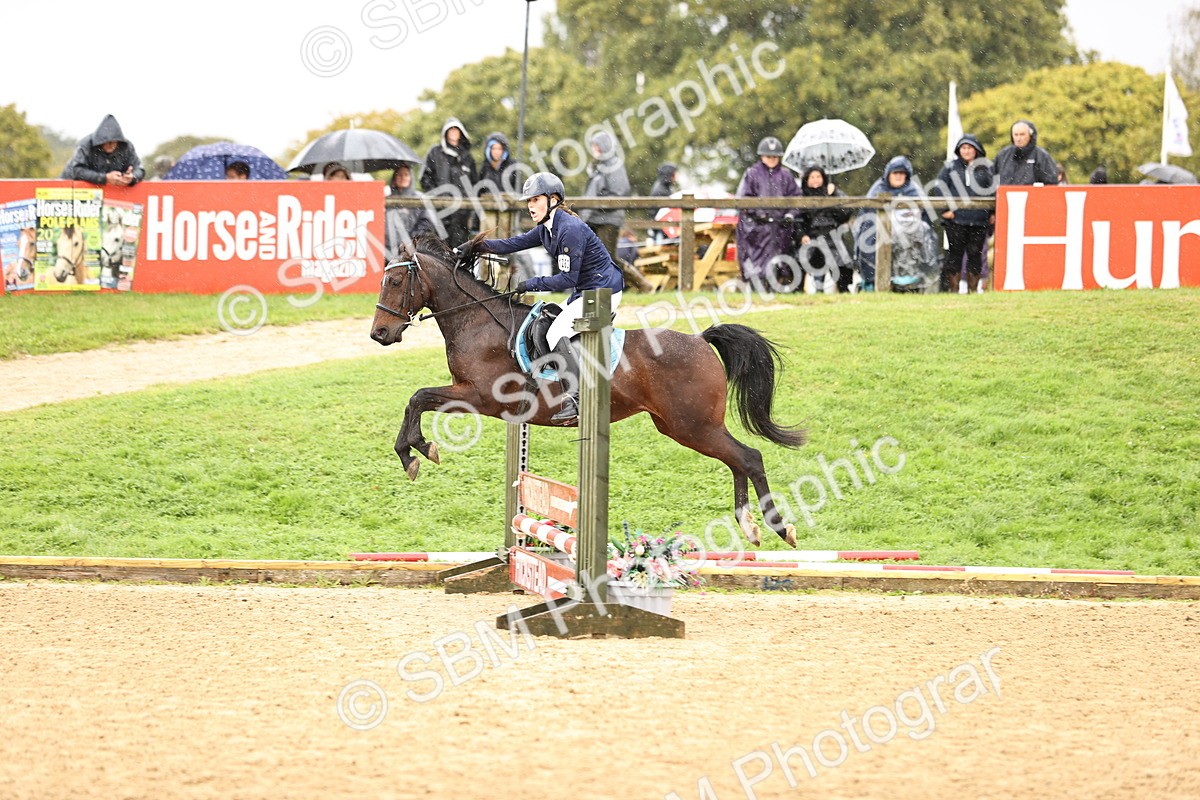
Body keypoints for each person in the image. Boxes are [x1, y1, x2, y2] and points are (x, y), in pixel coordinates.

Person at [477, 172, 625, 424]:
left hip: (603, 292)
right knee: (546, 321)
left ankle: (578, 397)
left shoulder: (569, 229)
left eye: (535, 200)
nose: (530, 206)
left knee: (555, 332)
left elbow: (566, 280)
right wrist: (476, 246)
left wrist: (530, 284)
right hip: (586, 291)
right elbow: (514, 243)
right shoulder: (548, 228)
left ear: (553, 199)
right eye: (528, 201)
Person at [854, 156, 940, 293]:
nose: (899, 176)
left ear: (907, 175)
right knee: (870, 240)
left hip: (909, 236)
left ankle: (911, 279)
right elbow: (867, 218)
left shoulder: (914, 190)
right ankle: (873, 279)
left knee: (924, 235)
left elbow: (926, 217)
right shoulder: (877, 189)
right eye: (896, 173)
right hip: (882, 235)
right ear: (888, 174)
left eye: (902, 173)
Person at [931, 134, 995, 293]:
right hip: (956, 221)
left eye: (970, 148)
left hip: (979, 220)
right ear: (959, 150)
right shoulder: (950, 167)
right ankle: (954, 290)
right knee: (955, 255)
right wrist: (944, 210)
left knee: (975, 255)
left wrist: (992, 212)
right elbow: (939, 188)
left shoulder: (986, 168)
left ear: (976, 150)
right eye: (963, 148)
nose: (966, 151)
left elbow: (993, 191)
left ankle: (973, 290)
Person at [735, 136, 801, 288]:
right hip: (757, 227)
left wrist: (790, 214)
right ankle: (756, 288)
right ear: (762, 156)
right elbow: (744, 199)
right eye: (768, 156)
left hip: (780, 227)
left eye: (775, 156)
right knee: (755, 260)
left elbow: (796, 199)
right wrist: (759, 214)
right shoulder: (752, 174)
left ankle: (775, 287)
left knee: (780, 260)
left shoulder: (786, 175)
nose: (772, 159)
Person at [421, 117, 477, 246]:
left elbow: (474, 183)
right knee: (439, 248)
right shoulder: (435, 152)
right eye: (450, 129)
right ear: (445, 133)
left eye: (456, 129)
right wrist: (439, 196)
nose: (453, 132)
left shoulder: (467, 157)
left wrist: (467, 201)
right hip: (440, 211)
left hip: (461, 214)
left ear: (461, 133)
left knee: (459, 250)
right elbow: (425, 178)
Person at [795, 164, 852, 293]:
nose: (815, 179)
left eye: (818, 176)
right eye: (812, 177)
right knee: (802, 260)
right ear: (807, 180)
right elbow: (798, 219)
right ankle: (804, 290)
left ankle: (844, 290)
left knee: (841, 262)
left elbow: (845, 214)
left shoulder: (833, 192)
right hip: (811, 236)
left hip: (832, 235)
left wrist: (834, 194)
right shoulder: (801, 197)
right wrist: (802, 235)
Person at [579, 130, 631, 264]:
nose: (594, 149)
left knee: (608, 260)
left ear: (604, 146)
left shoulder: (614, 165)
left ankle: (642, 284)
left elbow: (619, 193)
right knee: (591, 258)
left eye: (596, 146)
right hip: (594, 218)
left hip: (608, 219)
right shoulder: (598, 166)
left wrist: (598, 206)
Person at [60, 114, 144, 187]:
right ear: (100, 142)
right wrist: (105, 178)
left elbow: (140, 169)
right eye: (107, 142)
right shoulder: (86, 144)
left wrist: (132, 177)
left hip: (111, 192)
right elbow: (77, 170)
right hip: (74, 189)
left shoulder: (126, 146)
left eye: (113, 142)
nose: (110, 145)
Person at [384, 163, 436, 261]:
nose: (403, 177)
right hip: (385, 251)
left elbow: (427, 222)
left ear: (410, 177)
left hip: (410, 251)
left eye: (406, 174)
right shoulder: (386, 199)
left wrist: (410, 240)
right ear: (394, 178)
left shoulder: (419, 198)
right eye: (399, 175)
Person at [993, 120, 1059, 186]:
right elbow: (991, 180)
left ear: (1030, 135)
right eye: (1016, 135)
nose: (1018, 138)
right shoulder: (1003, 155)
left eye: (1022, 134)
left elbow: (1051, 183)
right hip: (1005, 195)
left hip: (1033, 195)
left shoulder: (1041, 156)